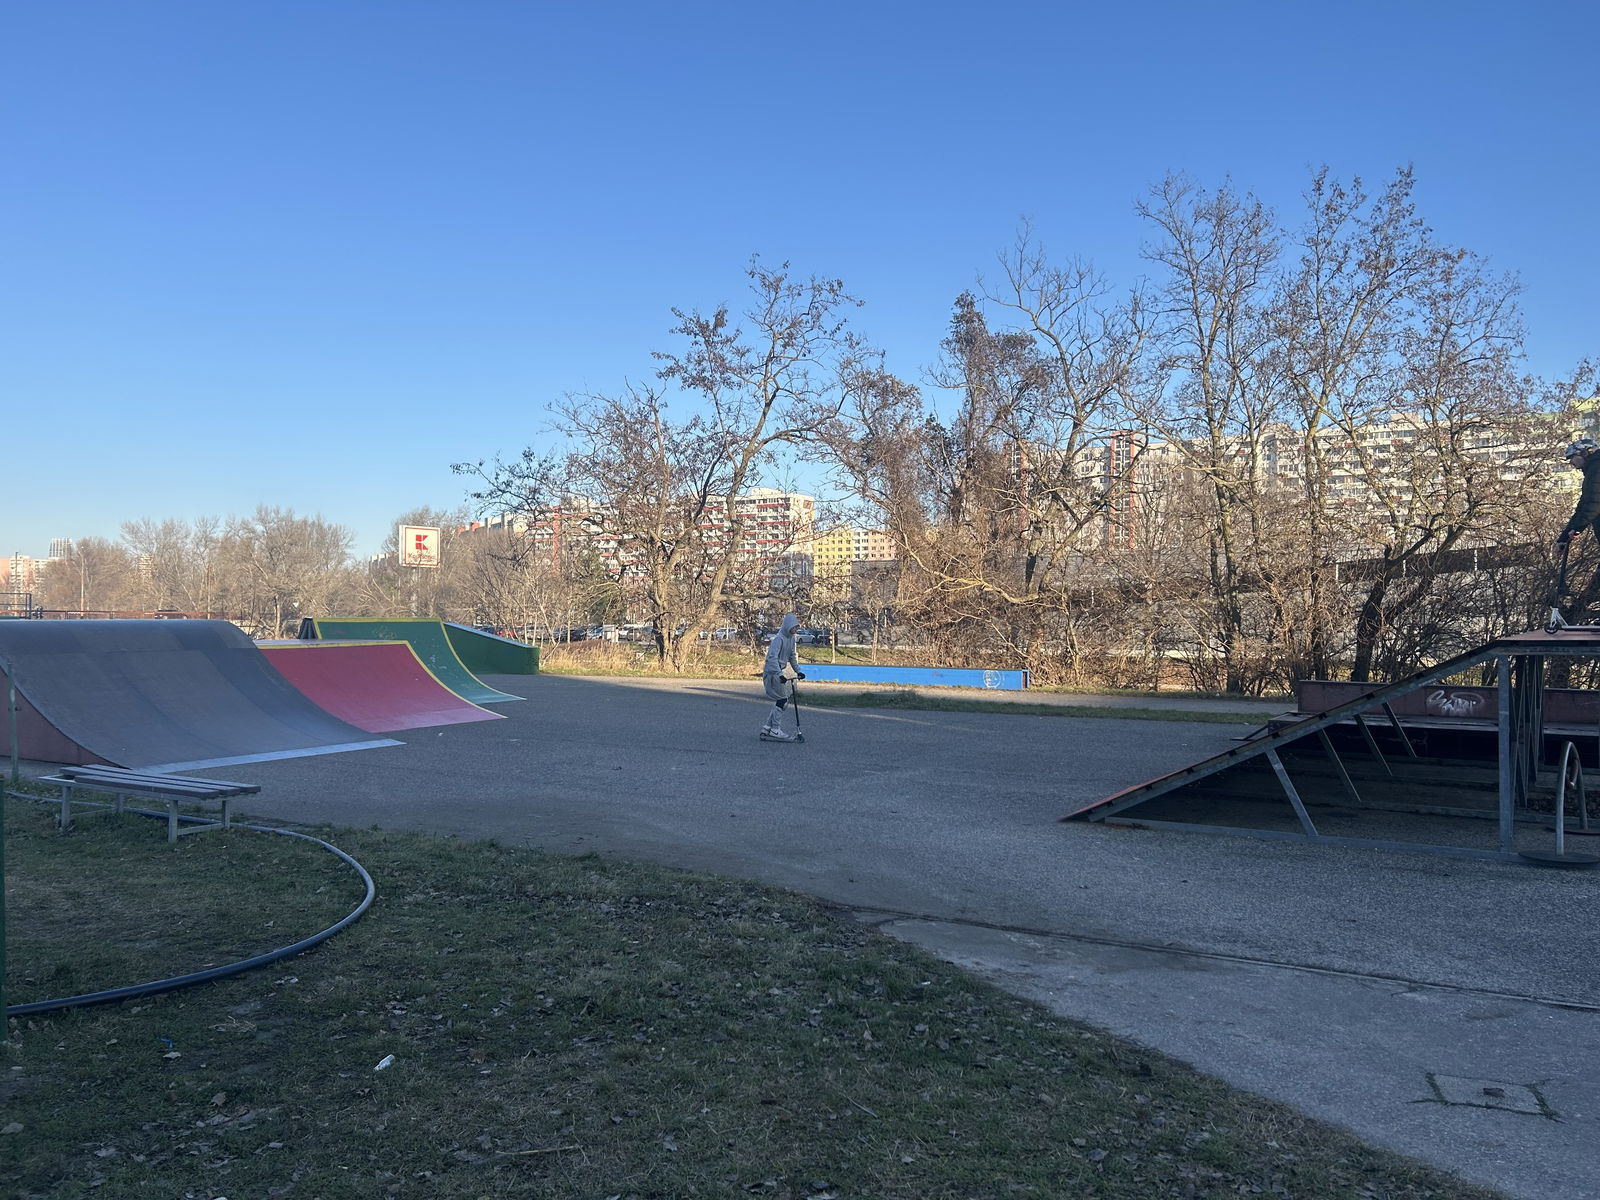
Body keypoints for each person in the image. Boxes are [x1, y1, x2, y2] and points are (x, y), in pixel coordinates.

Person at [759, 613, 806, 740]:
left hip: (779, 671)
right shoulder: (778, 639)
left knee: (781, 701)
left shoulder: (791, 639)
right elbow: (771, 658)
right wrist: (779, 674)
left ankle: (767, 727)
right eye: (794, 627)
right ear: (788, 626)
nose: (796, 630)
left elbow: (792, 656)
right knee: (783, 700)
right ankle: (775, 729)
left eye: (797, 628)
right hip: (772, 672)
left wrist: (798, 671)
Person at [1560, 438, 1600, 546]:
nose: (1571, 462)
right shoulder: (1592, 471)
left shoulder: (1596, 469)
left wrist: (1577, 529)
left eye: (1573, 457)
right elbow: (1583, 506)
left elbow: (1594, 504)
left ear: (1585, 453)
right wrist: (1564, 538)